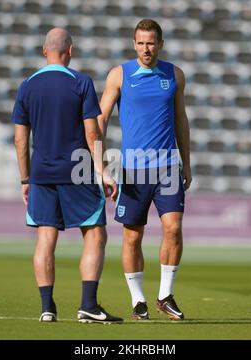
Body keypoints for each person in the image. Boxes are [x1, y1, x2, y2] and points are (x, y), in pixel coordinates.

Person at [11, 28, 123, 324]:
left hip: (42, 174)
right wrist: (103, 171)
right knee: (95, 233)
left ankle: (47, 308)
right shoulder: (81, 82)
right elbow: (91, 131)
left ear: (43, 50)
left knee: (45, 238)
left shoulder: (26, 86)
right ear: (70, 51)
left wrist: (26, 179)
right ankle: (88, 305)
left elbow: (20, 140)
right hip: (78, 172)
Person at [98, 19, 192, 320]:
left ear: (160, 44)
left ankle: (165, 294)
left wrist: (186, 162)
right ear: (133, 43)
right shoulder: (119, 75)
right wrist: (100, 165)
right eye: (140, 42)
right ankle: (138, 300)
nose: (145, 48)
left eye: (150, 42)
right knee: (132, 237)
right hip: (133, 170)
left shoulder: (174, 75)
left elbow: (181, 120)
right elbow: (100, 120)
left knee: (173, 228)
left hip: (167, 168)